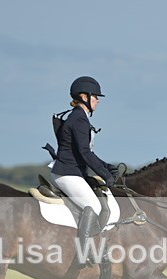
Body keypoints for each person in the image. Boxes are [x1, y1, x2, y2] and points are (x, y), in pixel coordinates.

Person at [50, 76, 119, 265]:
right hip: (67, 173)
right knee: (94, 206)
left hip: (74, 172)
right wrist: (105, 174)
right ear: (84, 96)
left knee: (102, 203)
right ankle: (83, 254)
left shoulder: (80, 118)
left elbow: (87, 154)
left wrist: (107, 167)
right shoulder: (78, 119)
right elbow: (85, 153)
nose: (98, 100)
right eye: (95, 96)